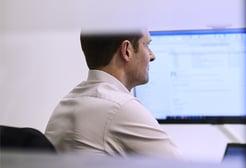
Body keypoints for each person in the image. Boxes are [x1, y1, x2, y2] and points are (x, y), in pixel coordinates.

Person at [45, 29, 181, 159]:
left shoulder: (66, 104)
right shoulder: (120, 107)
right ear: (126, 50)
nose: (152, 56)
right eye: (147, 45)